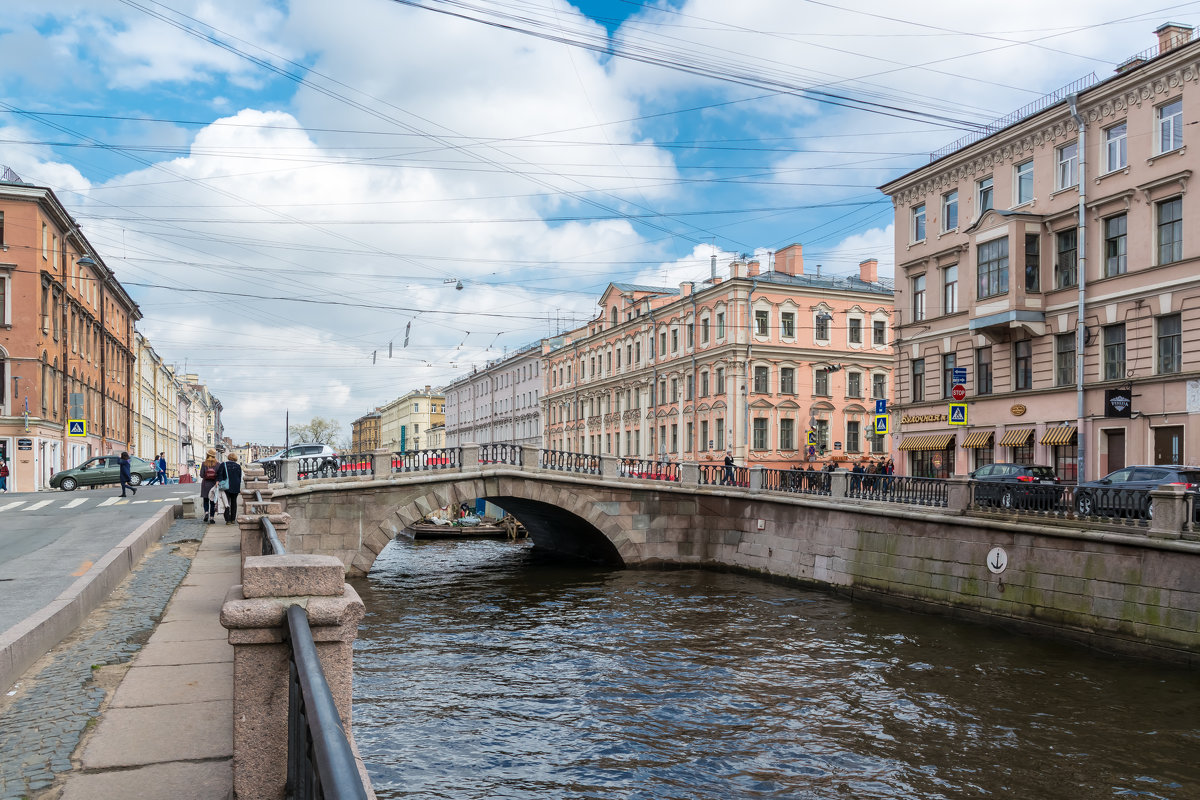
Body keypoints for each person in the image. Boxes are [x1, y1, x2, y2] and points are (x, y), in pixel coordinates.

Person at [215, 452, 243, 525]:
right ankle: (233, 519)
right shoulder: (238, 466)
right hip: (235, 486)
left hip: (226, 486)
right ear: (235, 458)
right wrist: (239, 487)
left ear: (228, 457)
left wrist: (218, 482)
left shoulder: (223, 465)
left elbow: (219, 475)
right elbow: (239, 477)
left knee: (226, 502)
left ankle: (228, 519)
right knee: (234, 502)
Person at [199, 448, 220, 523]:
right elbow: (219, 475)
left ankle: (206, 512)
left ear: (207, 455)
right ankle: (211, 518)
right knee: (213, 502)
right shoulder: (218, 464)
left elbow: (201, 475)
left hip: (205, 484)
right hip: (214, 485)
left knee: (205, 500)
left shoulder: (204, 463)